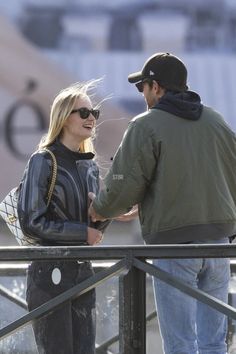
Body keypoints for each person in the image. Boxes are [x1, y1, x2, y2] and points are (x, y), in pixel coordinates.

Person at [89, 52, 236, 354]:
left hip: (174, 247)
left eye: (142, 86)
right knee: (214, 345)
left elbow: (123, 185)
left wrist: (99, 210)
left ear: (156, 87)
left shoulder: (146, 125)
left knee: (180, 345)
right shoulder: (216, 120)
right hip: (219, 247)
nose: (142, 94)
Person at [17, 81, 109, 354]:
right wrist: (83, 233)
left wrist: (107, 212)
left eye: (94, 112)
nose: (91, 117)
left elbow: (96, 227)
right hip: (49, 276)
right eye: (83, 112)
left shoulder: (89, 166)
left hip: (82, 273)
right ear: (63, 117)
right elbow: (31, 222)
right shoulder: (42, 160)